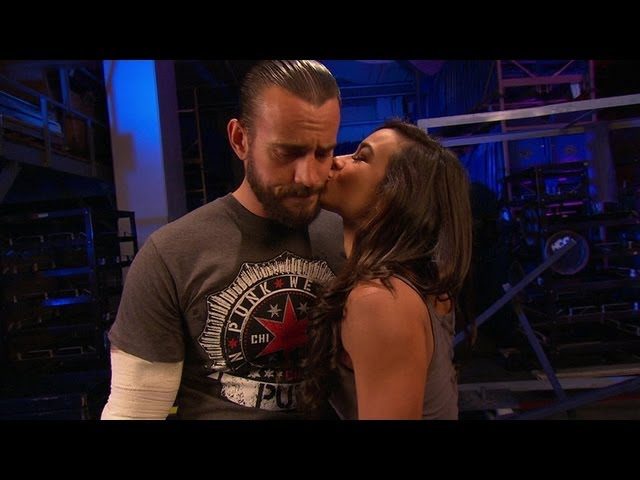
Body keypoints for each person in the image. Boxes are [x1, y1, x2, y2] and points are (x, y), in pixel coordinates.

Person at [101, 60, 345, 419]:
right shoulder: (171, 255)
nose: (308, 176)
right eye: (287, 153)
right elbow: (135, 412)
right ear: (240, 140)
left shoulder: (350, 239)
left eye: (322, 152)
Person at [301, 120, 473, 420]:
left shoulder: (380, 300)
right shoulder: (423, 280)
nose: (336, 161)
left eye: (360, 157)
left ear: (395, 195)